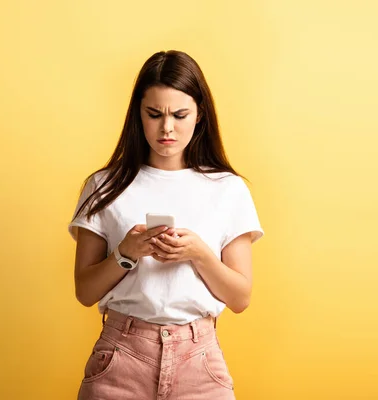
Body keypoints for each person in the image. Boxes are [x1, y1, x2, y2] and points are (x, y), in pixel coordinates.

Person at [68, 50, 264, 400]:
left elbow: (240, 297)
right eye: (154, 114)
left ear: (200, 114)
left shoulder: (227, 189)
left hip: (199, 360)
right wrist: (126, 253)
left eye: (180, 114)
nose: (167, 128)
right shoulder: (104, 185)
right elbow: (85, 291)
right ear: (137, 116)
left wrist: (198, 254)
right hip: (120, 357)